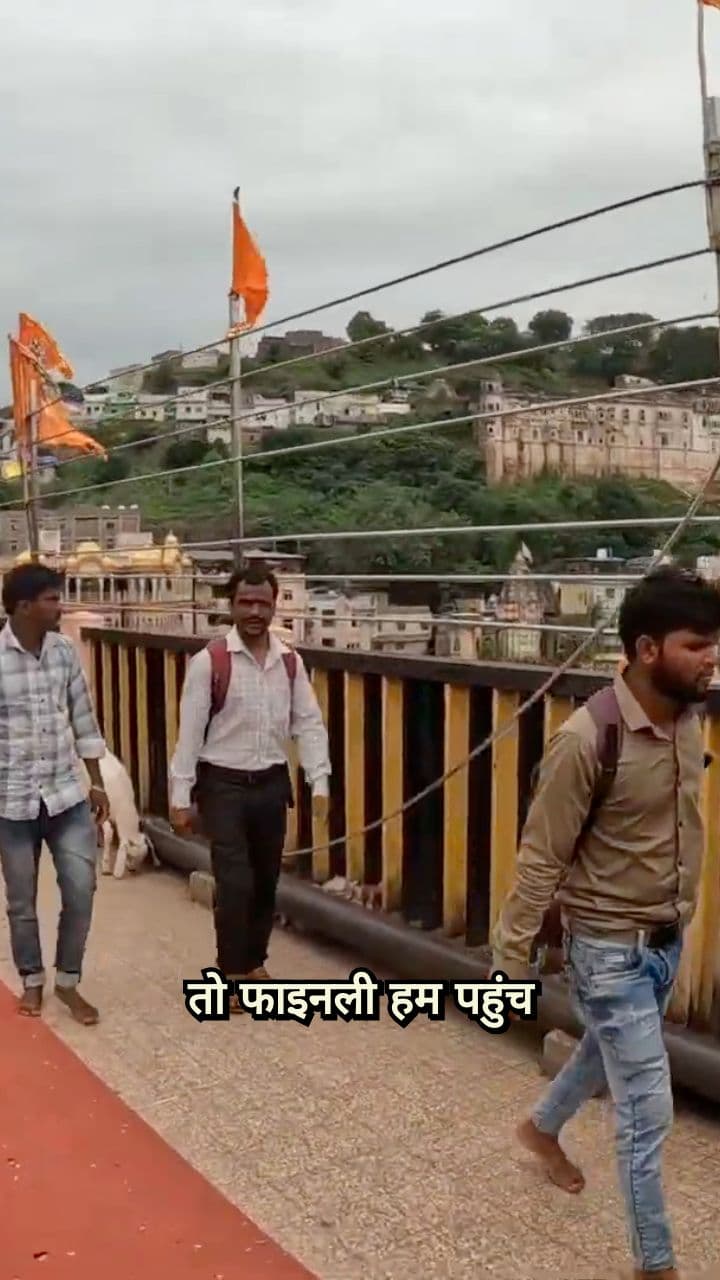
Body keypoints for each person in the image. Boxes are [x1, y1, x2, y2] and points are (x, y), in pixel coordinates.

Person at [492, 566, 720, 1280]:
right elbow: (539, 858)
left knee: (601, 1054)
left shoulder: (689, 717)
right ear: (647, 649)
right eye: (697, 645)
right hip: (608, 949)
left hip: (664, 937)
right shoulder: (587, 739)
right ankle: (656, 1265)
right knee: (647, 1107)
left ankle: (540, 1128)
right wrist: (508, 960)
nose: (711, 658)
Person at [170, 565, 330, 1008]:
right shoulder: (211, 662)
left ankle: (254, 961)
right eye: (246, 602)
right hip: (223, 785)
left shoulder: (290, 663)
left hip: (271, 785)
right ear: (232, 606)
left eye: (263, 602)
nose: (255, 611)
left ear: (275, 604)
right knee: (235, 882)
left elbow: (309, 726)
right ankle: (230, 971)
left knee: (265, 881)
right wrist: (180, 797)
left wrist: (319, 781)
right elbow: (189, 734)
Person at [0, 564, 109, 1024]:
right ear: (23, 607)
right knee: (22, 901)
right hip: (11, 801)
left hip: (65, 796)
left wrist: (97, 780)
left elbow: (83, 719)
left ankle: (68, 981)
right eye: (50, 599)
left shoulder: (64, 652)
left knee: (81, 890)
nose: (58, 607)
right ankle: (32, 981)